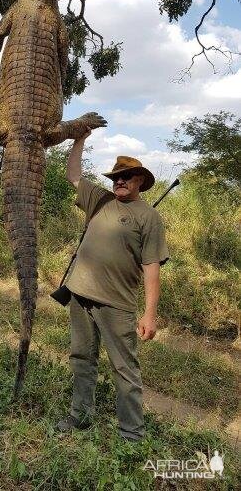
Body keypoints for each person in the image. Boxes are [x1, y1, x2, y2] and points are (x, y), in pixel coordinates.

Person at [56, 131, 169, 441]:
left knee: (124, 369)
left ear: (140, 182)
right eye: (117, 176)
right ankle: (80, 418)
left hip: (117, 305)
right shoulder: (99, 199)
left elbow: (151, 268)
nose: (120, 181)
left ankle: (131, 434)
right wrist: (79, 138)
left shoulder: (149, 218)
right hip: (80, 295)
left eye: (127, 177)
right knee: (81, 359)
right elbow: (73, 174)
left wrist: (149, 314)